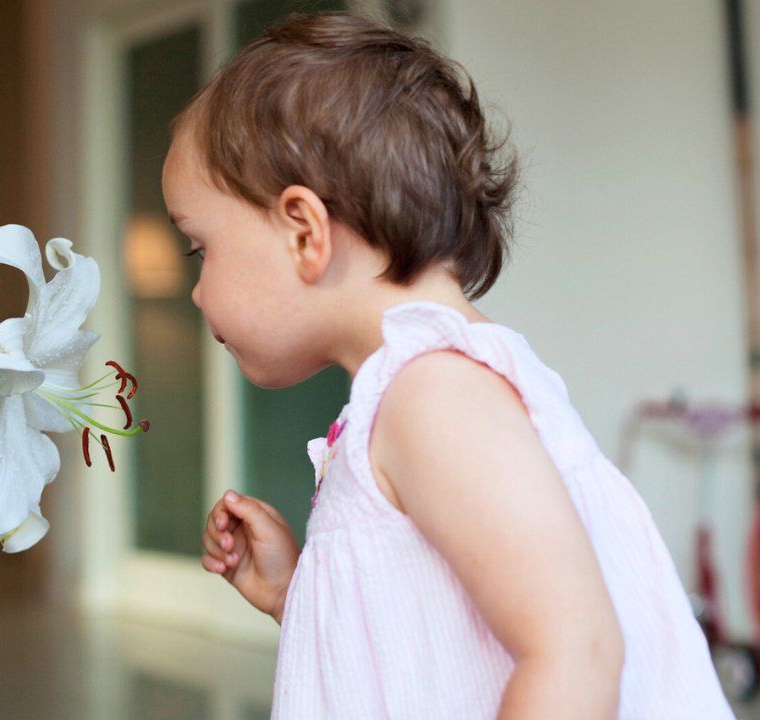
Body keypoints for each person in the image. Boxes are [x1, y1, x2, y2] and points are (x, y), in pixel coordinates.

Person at [163, 12, 734, 719]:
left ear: (304, 232)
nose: (194, 289)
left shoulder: (433, 395)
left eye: (200, 248)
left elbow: (576, 651)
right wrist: (302, 594)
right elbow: (432, 646)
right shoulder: (417, 392)